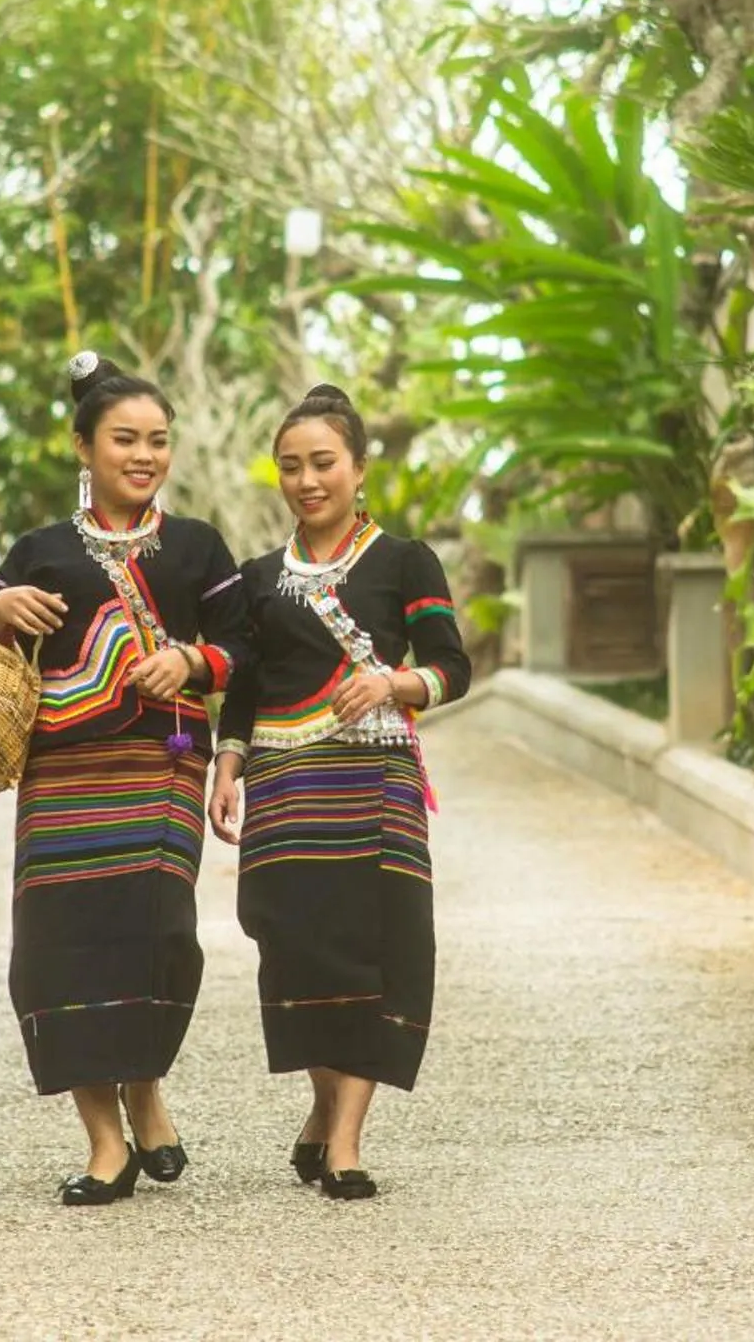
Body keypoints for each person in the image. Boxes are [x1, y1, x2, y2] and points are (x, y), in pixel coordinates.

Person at [0, 351, 250, 1205]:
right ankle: (106, 1141)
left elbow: (247, 651)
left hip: (159, 767)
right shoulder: (38, 552)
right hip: (61, 776)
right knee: (55, 950)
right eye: (125, 439)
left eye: (158, 440)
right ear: (82, 448)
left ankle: (147, 1090)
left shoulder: (199, 547)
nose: (144, 455)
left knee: (156, 933)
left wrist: (190, 659)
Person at [208, 384, 472, 1200]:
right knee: (297, 952)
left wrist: (395, 681)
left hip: (375, 780)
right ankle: (325, 1109)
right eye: (291, 466)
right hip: (286, 788)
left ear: (359, 467)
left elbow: (453, 666)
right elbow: (245, 686)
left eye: (323, 462)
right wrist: (227, 760)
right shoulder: (258, 578)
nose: (306, 480)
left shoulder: (404, 561)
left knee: (377, 951)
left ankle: (347, 1142)